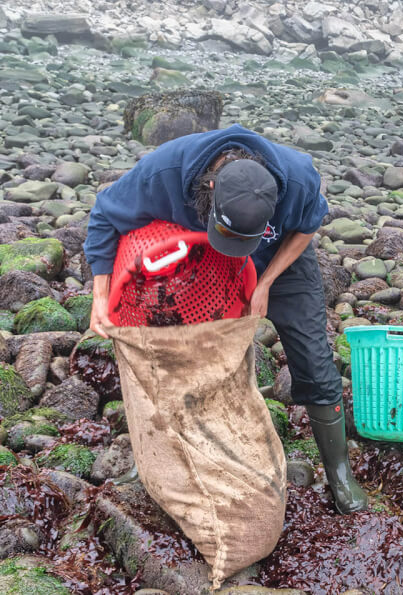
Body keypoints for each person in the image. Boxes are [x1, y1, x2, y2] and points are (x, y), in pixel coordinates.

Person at [84, 124, 368, 514]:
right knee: (177, 359)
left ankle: (339, 474)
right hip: (199, 258)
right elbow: (103, 215)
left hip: (278, 262)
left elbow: (306, 227)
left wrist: (265, 282)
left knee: (316, 362)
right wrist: (100, 298)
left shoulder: (298, 178)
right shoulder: (164, 172)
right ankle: (154, 461)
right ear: (211, 189)